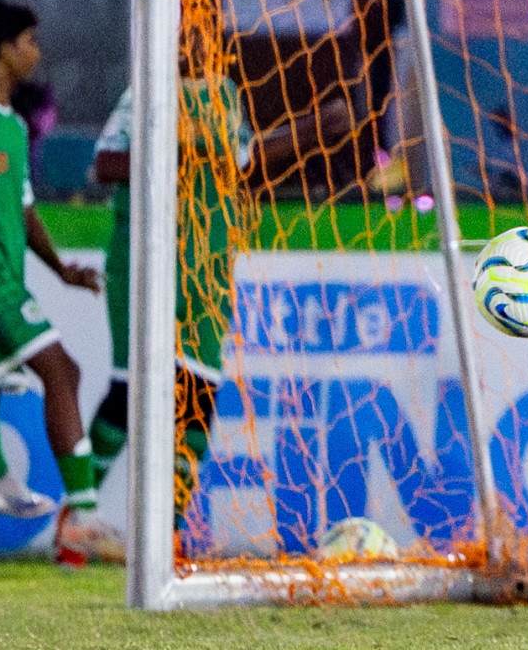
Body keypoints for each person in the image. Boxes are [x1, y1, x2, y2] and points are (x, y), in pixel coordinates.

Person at [86, 36, 350, 546]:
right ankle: (77, 519)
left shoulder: (225, 95)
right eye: (184, 31)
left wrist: (313, 130)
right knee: (129, 392)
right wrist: (181, 149)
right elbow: (106, 164)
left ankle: (165, 537)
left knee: (198, 397)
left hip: (207, 267)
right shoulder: (144, 93)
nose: (196, 41)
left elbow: (242, 162)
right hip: (146, 261)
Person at [0, 0, 124, 565]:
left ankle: (5, 483)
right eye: (28, 41)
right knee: (61, 369)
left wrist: (63, 270)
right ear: (3, 48)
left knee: (30, 378)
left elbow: (22, 212)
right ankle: (82, 515)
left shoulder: (14, 129)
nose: (36, 53)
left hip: (10, 279)